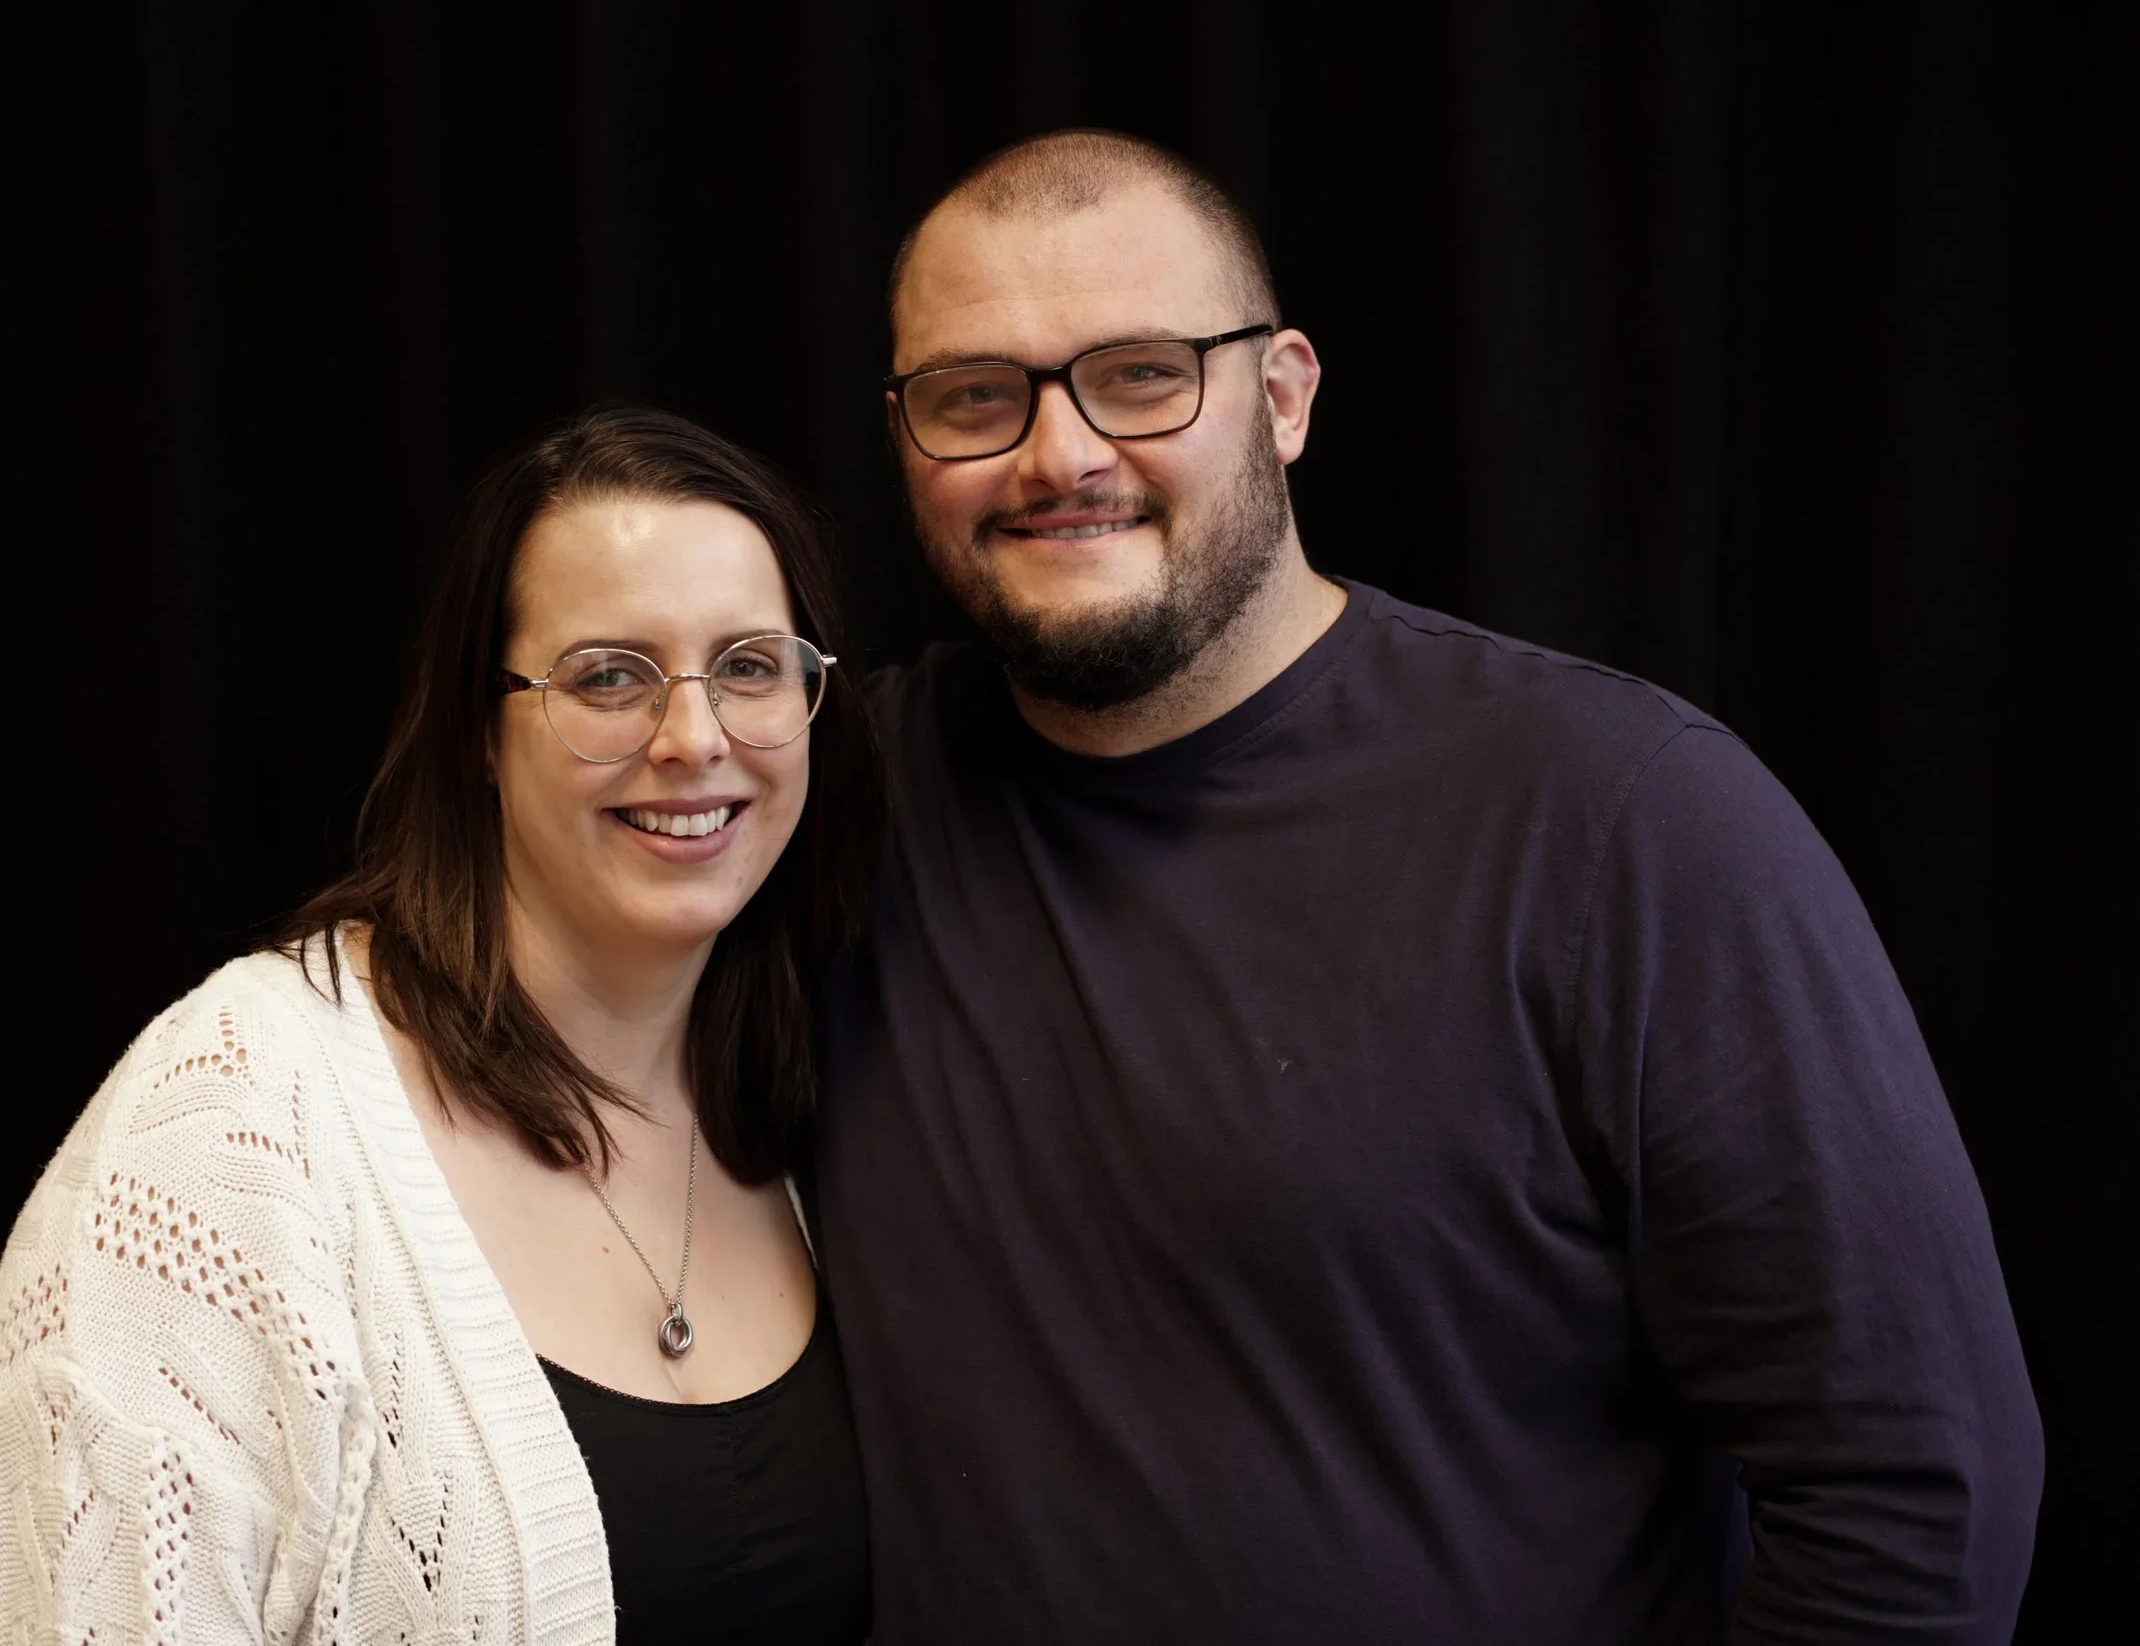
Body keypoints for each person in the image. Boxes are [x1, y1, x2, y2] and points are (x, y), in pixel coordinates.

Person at [813, 129, 2043, 1643]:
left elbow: (1917, 1480)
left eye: (1141, 374)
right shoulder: (819, 810)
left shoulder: (1622, 820)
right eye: (974, 397)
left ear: (1283, 397)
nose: (1058, 454)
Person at [0, 406, 880, 1645]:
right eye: (609, 676)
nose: (694, 737)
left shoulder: (822, 1093)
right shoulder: (227, 1131)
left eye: (751, 665)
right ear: (476, 733)